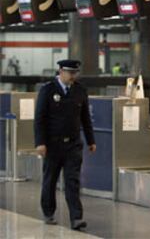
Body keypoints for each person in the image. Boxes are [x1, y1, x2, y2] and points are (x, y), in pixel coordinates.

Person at [34, 59, 96, 230]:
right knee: (50, 180)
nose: (73, 76)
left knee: (72, 182)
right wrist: (40, 142)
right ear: (61, 71)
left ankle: (76, 218)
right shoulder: (48, 90)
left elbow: (85, 118)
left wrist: (91, 140)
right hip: (52, 145)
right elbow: (39, 119)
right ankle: (48, 212)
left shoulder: (80, 91)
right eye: (70, 73)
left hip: (73, 145)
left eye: (75, 73)